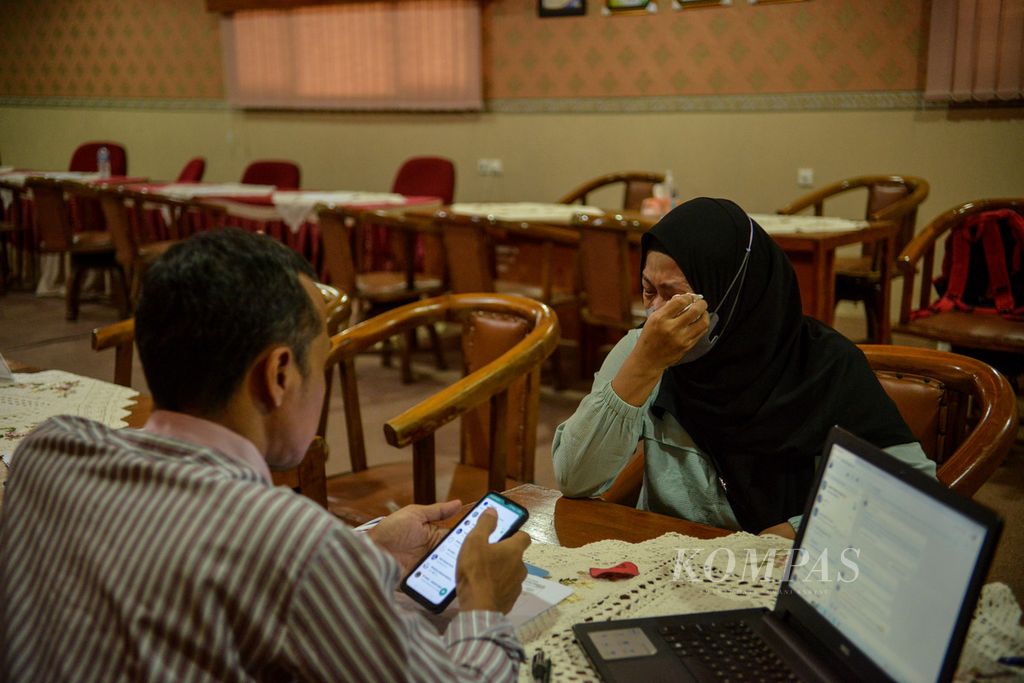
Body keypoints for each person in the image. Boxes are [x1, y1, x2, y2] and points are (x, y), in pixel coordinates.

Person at [0, 228, 530, 681]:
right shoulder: (290, 544)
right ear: (278, 375)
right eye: (321, 365)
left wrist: (368, 550)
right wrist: (483, 601)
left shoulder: (49, 449)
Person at [553, 197, 935, 537]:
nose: (655, 314)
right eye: (648, 291)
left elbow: (913, 492)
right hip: (669, 566)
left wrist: (794, 532)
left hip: (778, 575)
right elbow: (574, 479)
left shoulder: (824, 364)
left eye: (674, 295)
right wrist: (642, 367)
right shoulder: (644, 348)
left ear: (732, 296)